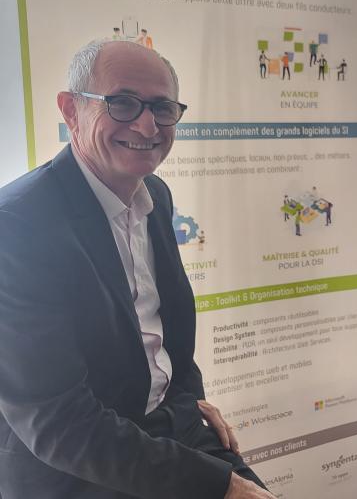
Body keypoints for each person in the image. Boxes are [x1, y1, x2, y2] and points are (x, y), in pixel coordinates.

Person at [0, 40, 274, 499]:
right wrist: (217, 484)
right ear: (71, 110)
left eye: (162, 108)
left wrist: (190, 402)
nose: (148, 125)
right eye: (123, 103)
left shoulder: (155, 196)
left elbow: (166, 332)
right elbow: (57, 423)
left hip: (170, 431)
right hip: (78, 467)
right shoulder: (18, 226)